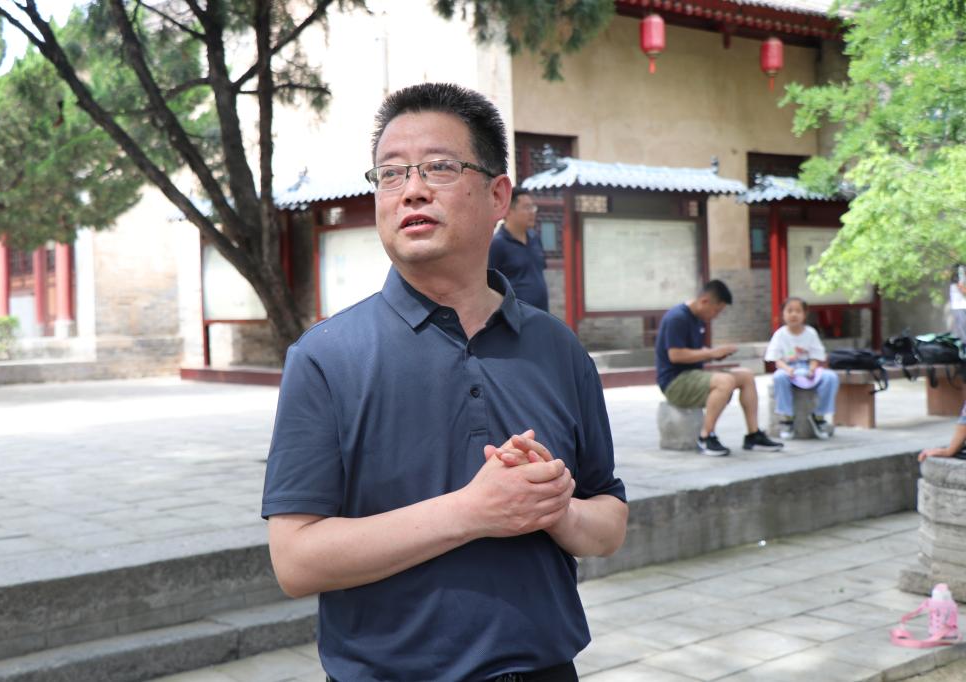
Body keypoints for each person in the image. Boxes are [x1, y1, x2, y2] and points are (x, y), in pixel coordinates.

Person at [262, 82, 628, 682]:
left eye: (439, 167)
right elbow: (296, 561)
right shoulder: (326, 358)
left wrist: (554, 511)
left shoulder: (558, 350)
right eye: (390, 174)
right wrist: (473, 511)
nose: (412, 189)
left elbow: (608, 521)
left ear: (497, 195)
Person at [654, 280, 783, 456]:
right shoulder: (677, 318)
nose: (716, 316)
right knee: (725, 381)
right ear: (704, 301)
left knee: (746, 376)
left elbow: (695, 352)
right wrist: (712, 353)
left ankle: (753, 435)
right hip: (674, 382)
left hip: (693, 376)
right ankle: (706, 436)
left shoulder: (698, 320)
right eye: (716, 310)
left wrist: (715, 354)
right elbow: (675, 355)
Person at [764, 297, 840, 440]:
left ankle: (819, 416)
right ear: (783, 314)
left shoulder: (811, 333)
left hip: (807, 367)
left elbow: (816, 356)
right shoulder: (780, 334)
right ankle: (787, 418)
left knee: (830, 377)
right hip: (788, 368)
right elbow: (776, 359)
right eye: (790, 311)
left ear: (805, 314)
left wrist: (812, 369)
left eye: (798, 311)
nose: (794, 314)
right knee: (779, 377)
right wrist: (787, 369)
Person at [488, 187, 549, 311]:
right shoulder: (497, 244)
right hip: (515, 316)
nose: (532, 212)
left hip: (541, 313)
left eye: (533, 207)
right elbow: (490, 284)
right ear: (508, 211)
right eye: (526, 207)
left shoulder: (535, 238)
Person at [950, 264, 966, 345]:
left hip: (962, 306)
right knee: (962, 327)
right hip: (959, 307)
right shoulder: (957, 277)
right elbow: (962, 289)